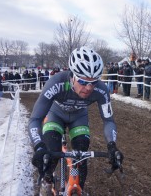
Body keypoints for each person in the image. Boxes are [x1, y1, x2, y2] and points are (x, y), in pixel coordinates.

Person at [29, 47, 124, 195]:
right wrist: (39, 147)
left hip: (78, 118)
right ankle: (46, 183)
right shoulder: (56, 83)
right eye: (82, 81)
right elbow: (35, 119)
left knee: (81, 157)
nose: (88, 88)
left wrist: (112, 145)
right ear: (72, 75)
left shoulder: (101, 90)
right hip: (55, 115)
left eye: (93, 82)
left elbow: (108, 120)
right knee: (50, 154)